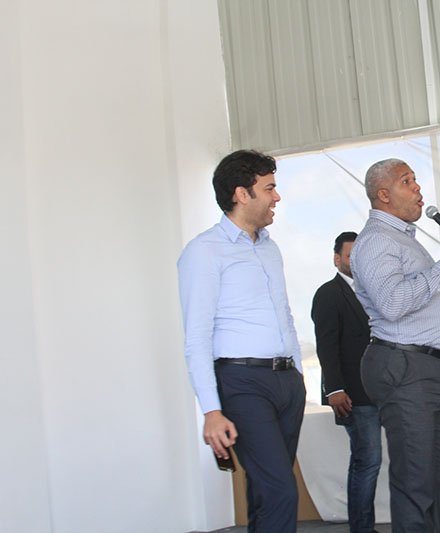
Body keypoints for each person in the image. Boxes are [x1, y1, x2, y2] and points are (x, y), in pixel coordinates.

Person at [177, 150, 306, 533]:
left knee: (267, 490)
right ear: (241, 194)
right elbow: (197, 336)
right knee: (281, 491)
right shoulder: (203, 251)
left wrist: (297, 375)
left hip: (286, 382)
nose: (277, 197)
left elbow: (284, 315)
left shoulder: (270, 247)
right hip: (242, 383)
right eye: (269, 188)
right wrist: (211, 411)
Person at [350, 158, 440, 533]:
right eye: (407, 181)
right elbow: (393, 304)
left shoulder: (403, 239)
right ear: (384, 195)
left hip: (429, 367)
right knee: (416, 479)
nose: (418, 188)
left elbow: (423, 319)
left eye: (416, 180)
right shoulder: (377, 240)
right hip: (405, 367)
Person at [311, 231, 381, 533]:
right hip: (353, 393)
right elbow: (326, 345)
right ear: (337, 259)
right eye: (351, 255)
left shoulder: (376, 292)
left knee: (373, 461)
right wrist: (335, 389)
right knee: (368, 460)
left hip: (382, 389)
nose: (357, 261)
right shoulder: (328, 293)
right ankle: (362, 529)